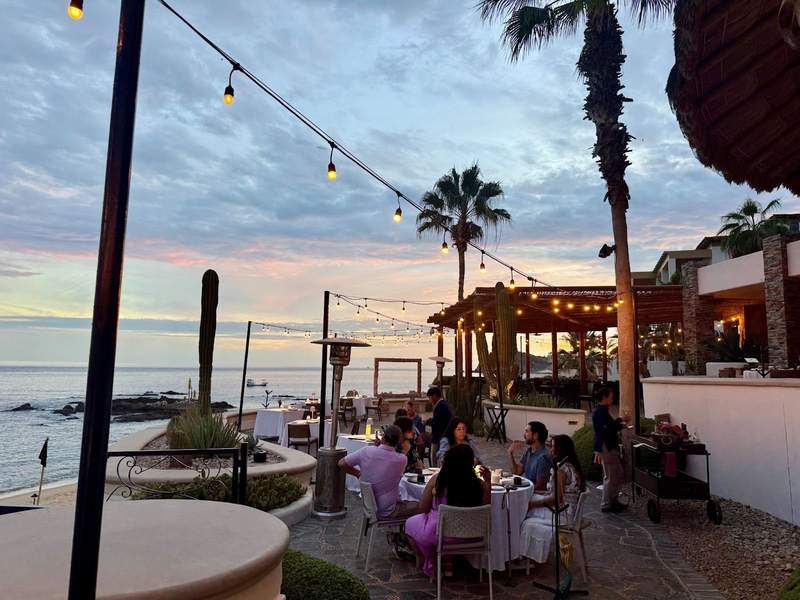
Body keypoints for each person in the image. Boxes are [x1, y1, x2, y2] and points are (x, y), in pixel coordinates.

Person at [404, 444, 491, 578]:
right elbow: (486, 508)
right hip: (472, 535)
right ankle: (446, 561)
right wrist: (488, 482)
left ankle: (427, 560)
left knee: (410, 524)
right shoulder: (479, 485)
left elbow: (423, 508)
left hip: (441, 534)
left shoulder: (438, 480)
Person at [520, 435, 586, 566]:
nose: (550, 449)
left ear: (559, 450)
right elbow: (556, 493)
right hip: (570, 510)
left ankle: (523, 558)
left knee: (524, 517)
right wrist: (534, 494)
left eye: (552, 446)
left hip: (563, 514)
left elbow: (555, 499)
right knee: (529, 503)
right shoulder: (572, 466)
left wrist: (531, 504)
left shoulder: (561, 471)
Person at [337, 425, 418, 518]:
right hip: (389, 509)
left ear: (383, 438)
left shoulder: (366, 451)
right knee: (422, 505)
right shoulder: (401, 459)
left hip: (370, 506)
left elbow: (341, 463)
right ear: (399, 441)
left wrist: (358, 474)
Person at [593, 386, 628, 512]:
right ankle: (607, 503)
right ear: (605, 397)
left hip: (608, 445)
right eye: (611, 397)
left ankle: (613, 500)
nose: (612, 399)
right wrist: (619, 422)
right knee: (611, 474)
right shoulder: (600, 412)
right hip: (606, 446)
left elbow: (607, 428)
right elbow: (605, 430)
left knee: (616, 473)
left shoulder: (601, 411)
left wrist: (619, 424)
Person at [507, 421, 553, 491]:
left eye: (527, 432)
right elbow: (516, 472)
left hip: (535, 494)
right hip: (529, 490)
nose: (524, 435)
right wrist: (510, 453)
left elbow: (540, 487)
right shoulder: (529, 451)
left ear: (535, 436)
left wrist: (520, 490)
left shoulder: (543, 457)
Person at [425, 387, 452, 466]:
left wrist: (429, 423)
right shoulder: (443, 405)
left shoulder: (441, 406)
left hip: (439, 438)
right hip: (441, 437)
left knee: (435, 458)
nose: (429, 400)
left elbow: (438, 424)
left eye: (430, 397)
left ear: (435, 396)